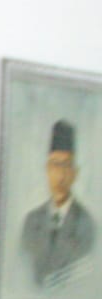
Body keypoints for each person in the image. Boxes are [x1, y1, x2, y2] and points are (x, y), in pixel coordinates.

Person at [20, 119, 95, 288]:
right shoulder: (31, 222)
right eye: (55, 165)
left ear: (75, 173)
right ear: (47, 170)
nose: (60, 176)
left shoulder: (87, 225)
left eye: (66, 166)